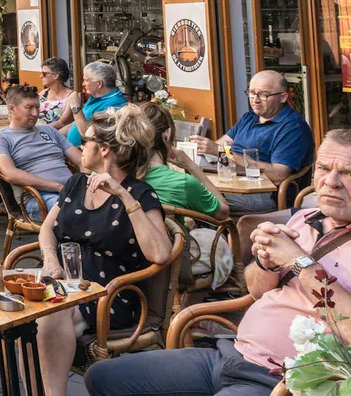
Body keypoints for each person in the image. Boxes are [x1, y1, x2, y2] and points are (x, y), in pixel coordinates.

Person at [83, 129, 351, 396]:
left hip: (282, 383)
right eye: (324, 168)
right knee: (102, 376)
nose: (331, 181)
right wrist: (265, 262)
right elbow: (257, 291)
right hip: (232, 354)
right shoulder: (304, 220)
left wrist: (297, 261)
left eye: (347, 172)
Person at [34, 108, 172, 396]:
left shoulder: (141, 193)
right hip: (63, 281)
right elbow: (47, 229)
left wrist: (123, 195)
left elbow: (160, 254)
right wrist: (50, 260)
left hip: (109, 294)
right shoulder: (76, 183)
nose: (81, 146)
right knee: (20, 310)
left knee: (51, 311)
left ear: (105, 149)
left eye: (86, 141)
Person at [191, 69, 315, 214]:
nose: (255, 99)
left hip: (262, 194)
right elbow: (222, 144)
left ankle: (217, 234)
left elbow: (278, 175)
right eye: (251, 92)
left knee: (194, 195)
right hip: (232, 181)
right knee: (182, 185)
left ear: (283, 97)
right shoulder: (250, 116)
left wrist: (221, 151)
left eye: (263, 94)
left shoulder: (293, 128)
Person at [0, 83, 83, 220]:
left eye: (37, 107)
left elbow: (80, 160)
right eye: (29, 108)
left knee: (111, 202)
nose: (35, 113)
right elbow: (10, 174)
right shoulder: (0, 137)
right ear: (12, 108)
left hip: (71, 191)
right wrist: (56, 187)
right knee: (78, 210)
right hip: (37, 198)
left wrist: (88, 181)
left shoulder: (49, 130)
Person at [138, 102, 229, 220]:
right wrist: (191, 166)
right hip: (175, 238)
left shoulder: (122, 174)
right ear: (167, 134)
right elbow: (223, 212)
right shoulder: (183, 183)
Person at [65, 61, 128, 147]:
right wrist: (54, 134)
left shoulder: (115, 104)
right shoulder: (96, 96)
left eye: (86, 80)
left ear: (99, 83)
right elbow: (77, 123)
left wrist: (75, 107)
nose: (83, 84)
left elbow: (89, 136)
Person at [39, 57, 81, 130]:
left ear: (56, 76)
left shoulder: (72, 96)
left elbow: (62, 122)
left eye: (44, 73)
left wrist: (36, 130)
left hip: (54, 136)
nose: (41, 76)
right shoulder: (43, 93)